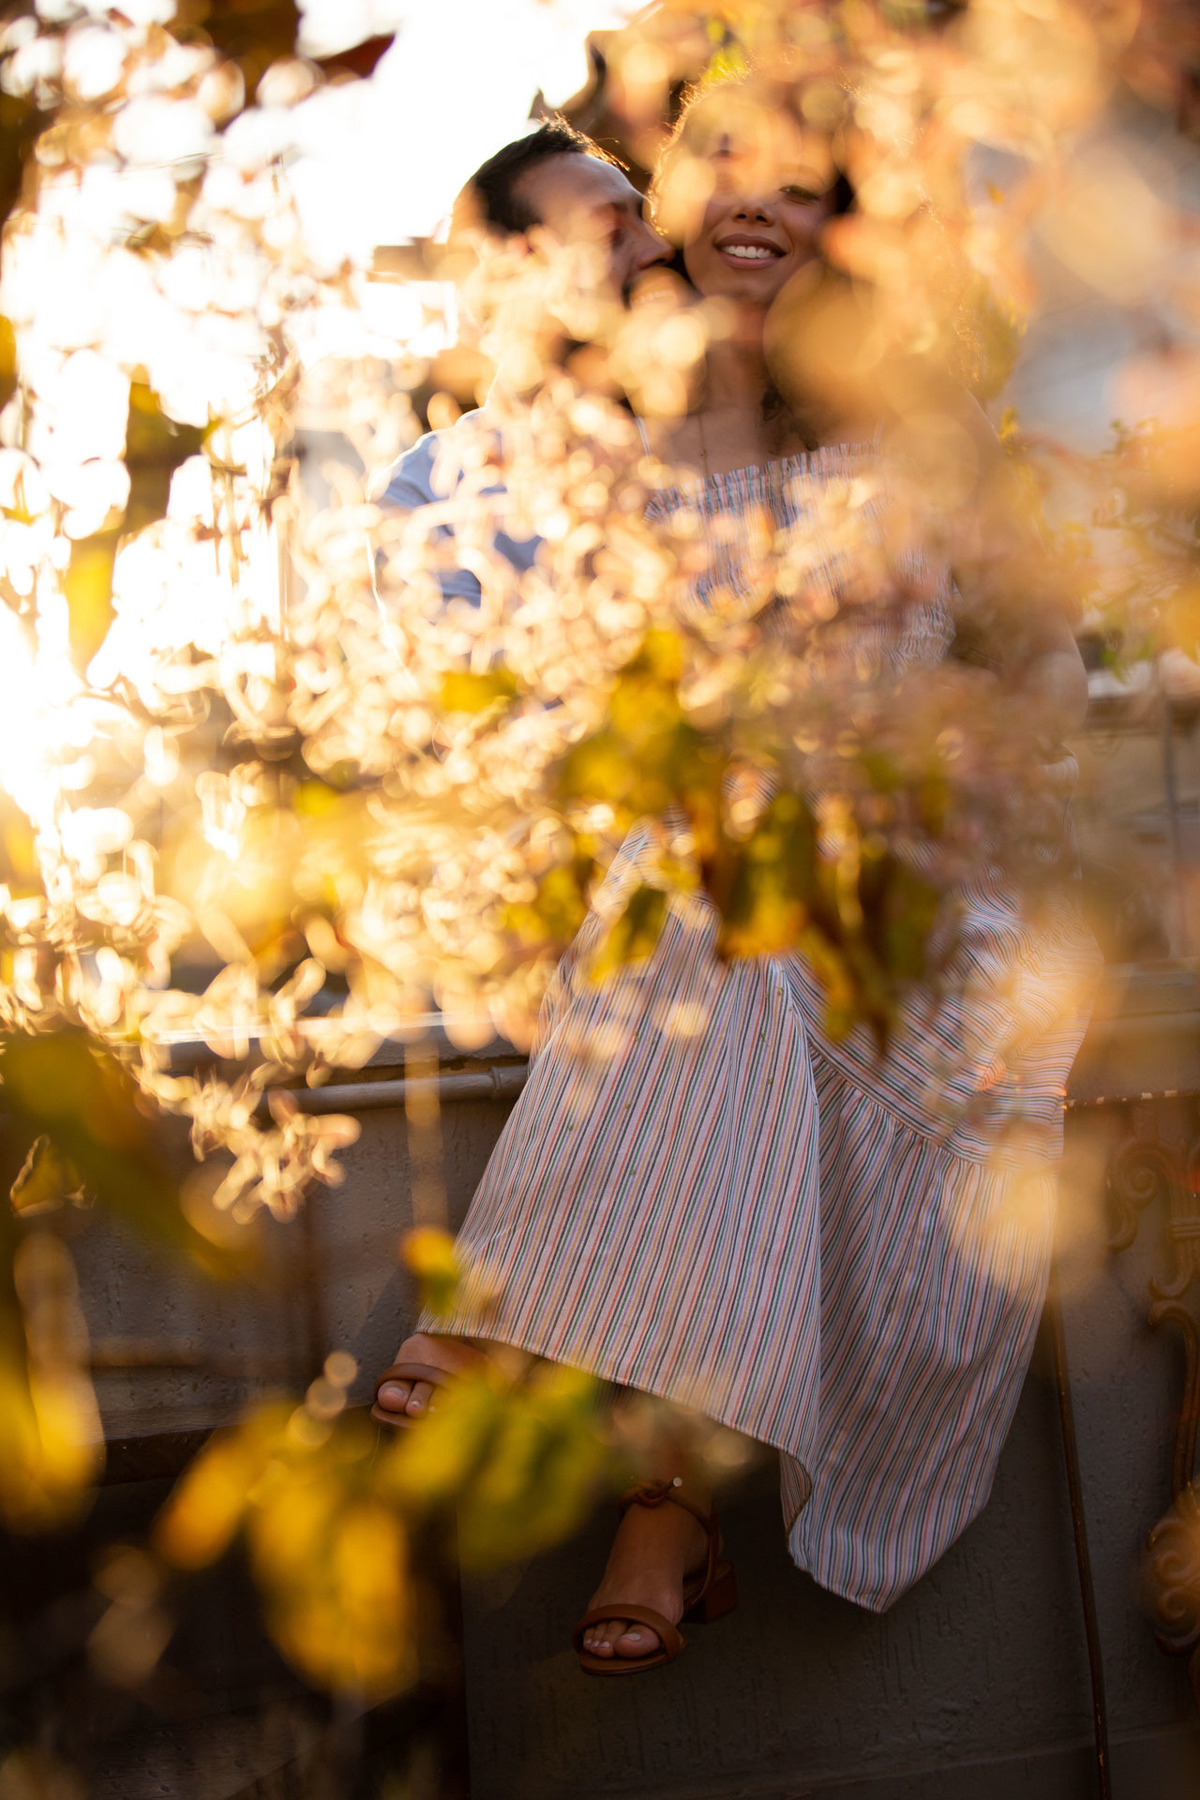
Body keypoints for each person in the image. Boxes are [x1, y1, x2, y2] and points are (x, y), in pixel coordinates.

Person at [374, 72, 1100, 1674]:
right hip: (718, 872)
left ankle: (516, 1328)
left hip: (909, 886)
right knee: (729, 885)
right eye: (719, 165)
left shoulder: (909, 424)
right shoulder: (601, 443)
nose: (757, 200)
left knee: (742, 871)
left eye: (805, 177)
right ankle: (670, 1493)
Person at [377, 116, 673, 605]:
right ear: (511, 273)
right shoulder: (428, 493)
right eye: (611, 235)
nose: (660, 248)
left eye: (649, 222)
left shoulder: (703, 436)